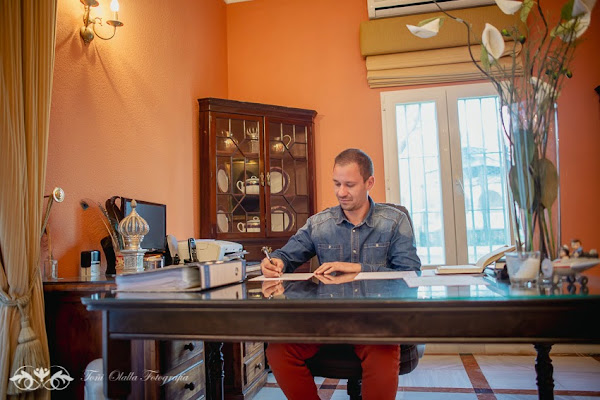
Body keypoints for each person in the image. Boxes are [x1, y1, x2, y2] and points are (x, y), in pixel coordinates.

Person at [261, 148, 421, 400]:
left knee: (383, 352)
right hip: (324, 321)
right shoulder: (319, 224)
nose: (341, 192)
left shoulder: (394, 221)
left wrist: (360, 269)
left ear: (369, 182)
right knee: (278, 351)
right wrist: (275, 262)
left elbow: (410, 275)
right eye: (337, 183)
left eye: (349, 185)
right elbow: (286, 256)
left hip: (374, 321)